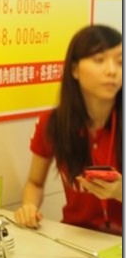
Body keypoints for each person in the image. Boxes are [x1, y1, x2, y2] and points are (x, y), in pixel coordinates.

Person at [14, 24, 123, 235]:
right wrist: (29, 206)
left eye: (120, 62)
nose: (112, 71)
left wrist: (120, 192)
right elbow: (35, 183)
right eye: (99, 60)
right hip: (77, 238)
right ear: (74, 70)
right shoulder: (53, 123)